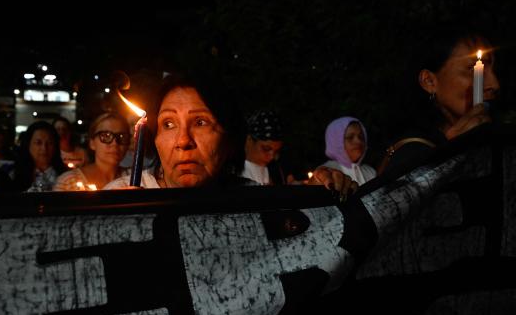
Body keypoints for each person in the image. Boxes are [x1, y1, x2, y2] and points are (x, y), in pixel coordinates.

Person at [105, 73, 357, 198]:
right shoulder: (118, 197)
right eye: (168, 124)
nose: (183, 141)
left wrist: (319, 193)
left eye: (201, 122)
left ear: (230, 137)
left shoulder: (249, 199)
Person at [379, 28, 500, 174]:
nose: (494, 85)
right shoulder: (412, 158)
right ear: (429, 81)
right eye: (472, 69)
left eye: (495, 70)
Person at [54, 112, 131, 190]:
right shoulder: (68, 182)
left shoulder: (135, 178)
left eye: (122, 137)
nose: (115, 143)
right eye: (106, 136)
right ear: (92, 143)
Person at [11, 121, 67, 192]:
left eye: (49, 143)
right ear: (28, 145)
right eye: (38, 143)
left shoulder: (66, 176)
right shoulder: (14, 174)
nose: (44, 148)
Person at [321, 116, 376, 185]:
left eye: (361, 137)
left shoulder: (370, 172)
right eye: (350, 137)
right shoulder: (326, 172)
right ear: (335, 141)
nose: (358, 141)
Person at [240, 109, 286, 185]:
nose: (272, 157)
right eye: (266, 149)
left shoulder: (271, 169)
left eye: (276, 151)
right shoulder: (234, 172)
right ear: (249, 140)